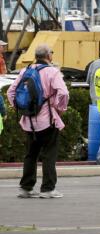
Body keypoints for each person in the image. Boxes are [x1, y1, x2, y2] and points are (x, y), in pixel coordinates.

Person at [6, 44, 69, 198]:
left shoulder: (26, 71)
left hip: (28, 120)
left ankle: (26, 187)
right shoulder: (52, 72)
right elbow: (64, 92)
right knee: (49, 154)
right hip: (47, 119)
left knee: (30, 154)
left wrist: (20, 108)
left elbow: (10, 91)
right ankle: (47, 189)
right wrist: (59, 108)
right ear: (48, 56)